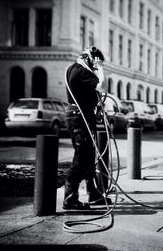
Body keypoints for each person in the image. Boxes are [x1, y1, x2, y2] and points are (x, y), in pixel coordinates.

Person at [63, 46, 110, 210]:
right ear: (91, 59)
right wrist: (101, 68)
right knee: (81, 156)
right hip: (78, 117)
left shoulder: (74, 69)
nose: (95, 66)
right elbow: (103, 87)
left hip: (82, 115)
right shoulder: (81, 71)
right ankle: (70, 199)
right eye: (95, 62)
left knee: (89, 155)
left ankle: (93, 192)